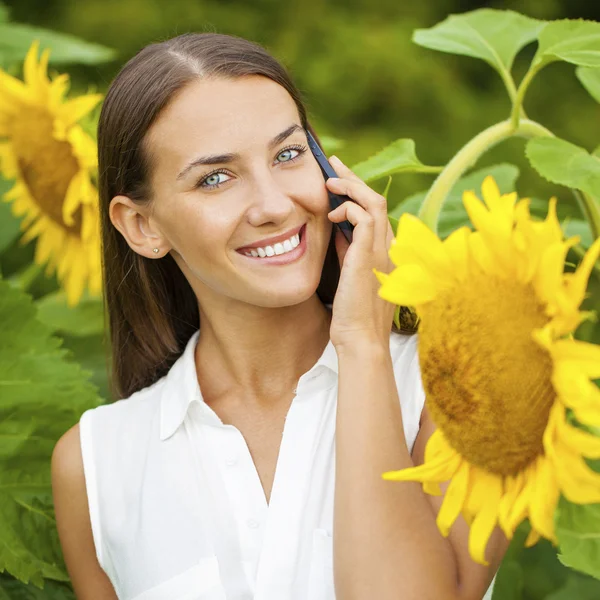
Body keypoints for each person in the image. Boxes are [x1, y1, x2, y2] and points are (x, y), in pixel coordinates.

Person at [51, 32, 508, 600]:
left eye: (287, 154)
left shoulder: (463, 382)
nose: (273, 205)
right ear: (143, 227)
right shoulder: (95, 466)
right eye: (215, 178)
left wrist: (363, 343)